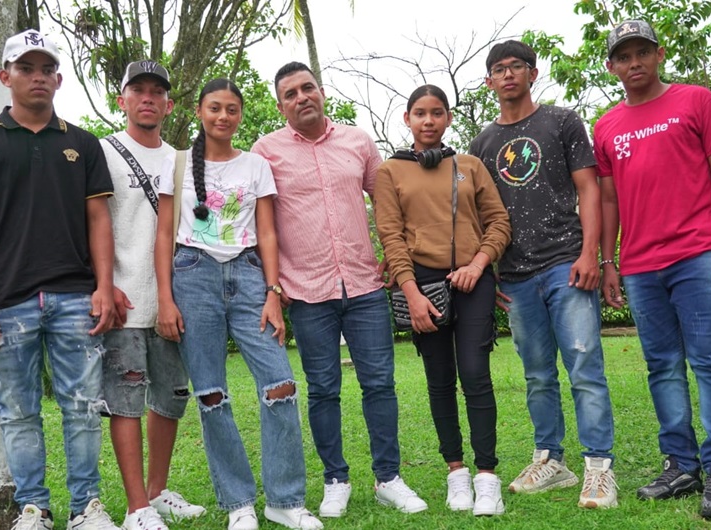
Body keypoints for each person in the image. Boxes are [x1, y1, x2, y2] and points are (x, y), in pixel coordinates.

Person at [0, 29, 120, 530]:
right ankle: (34, 508)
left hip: (76, 298)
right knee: (18, 411)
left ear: (58, 80)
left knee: (83, 408)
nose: (37, 77)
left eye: (47, 69)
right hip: (7, 301)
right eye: (26, 68)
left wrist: (104, 287)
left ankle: (86, 507)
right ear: (6, 77)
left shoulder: (82, 144)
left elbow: (99, 220)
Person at [251, 62, 427, 518]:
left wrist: (398, 252)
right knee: (323, 389)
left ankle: (388, 478)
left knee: (380, 384)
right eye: (290, 94)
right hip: (306, 290)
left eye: (307, 88)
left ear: (322, 92)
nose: (301, 97)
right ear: (281, 106)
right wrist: (273, 284)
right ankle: (336, 479)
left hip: (364, 284)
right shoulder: (265, 151)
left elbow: (387, 202)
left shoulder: (358, 141)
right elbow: (260, 222)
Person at [593, 20, 711, 519]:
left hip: (699, 255)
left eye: (642, 52)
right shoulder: (606, 126)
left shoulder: (696, 101)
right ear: (612, 67)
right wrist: (609, 261)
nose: (634, 63)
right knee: (661, 366)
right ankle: (681, 464)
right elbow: (610, 199)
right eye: (624, 56)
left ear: (659, 55)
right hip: (641, 267)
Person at [154, 78, 323, 530]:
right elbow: (164, 234)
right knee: (211, 395)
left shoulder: (256, 165)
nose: (223, 116)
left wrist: (273, 292)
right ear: (198, 111)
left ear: (241, 115)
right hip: (192, 275)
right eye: (214, 108)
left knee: (281, 385)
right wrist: (165, 298)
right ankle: (238, 505)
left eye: (232, 109)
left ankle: (284, 500)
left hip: (249, 276)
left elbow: (267, 232)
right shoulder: (176, 164)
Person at [469, 40, 618, 509]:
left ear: (532, 73)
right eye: (499, 69)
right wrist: (489, 273)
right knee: (537, 375)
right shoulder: (482, 144)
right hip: (514, 275)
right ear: (489, 81)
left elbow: (588, 189)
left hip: (565, 264)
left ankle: (599, 468)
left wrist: (591, 254)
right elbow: (479, 215)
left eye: (517, 66)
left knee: (584, 366)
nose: (508, 75)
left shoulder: (562, 121)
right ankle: (550, 460)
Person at [374, 85, 512, 515]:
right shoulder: (390, 172)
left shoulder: (469, 165)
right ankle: (456, 473)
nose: (429, 120)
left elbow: (498, 222)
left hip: (473, 280)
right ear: (407, 119)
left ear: (448, 118)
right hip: (422, 285)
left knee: (475, 374)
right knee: (439, 380)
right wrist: (410, 292)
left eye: (437, 112)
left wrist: (479, 264)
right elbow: (391, 236)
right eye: (420, 113)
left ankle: (487, 478)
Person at [100, 60, 206, 530]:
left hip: (173, 299)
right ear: (121, 99)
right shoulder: (101, 152)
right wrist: (101, 284)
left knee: (171, 395)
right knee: (125, 399)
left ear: (170, 104)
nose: (148, 98)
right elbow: (88, 222)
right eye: (138, 89)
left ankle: (158, 491)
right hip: (123, 298)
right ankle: (136, 507)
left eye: (157, 91)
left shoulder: (182, 160)